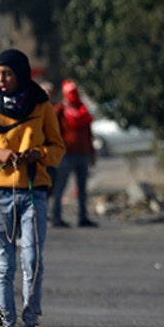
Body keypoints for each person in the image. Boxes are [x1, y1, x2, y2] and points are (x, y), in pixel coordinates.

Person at [0, 49, 66, 327]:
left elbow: (58, 149)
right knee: (4, 262)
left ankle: (30, 320)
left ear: (21, 74)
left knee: (33, 258)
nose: (2, 80)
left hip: (33, 193)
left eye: (7, 74)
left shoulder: (41, 105)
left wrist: (39, 153)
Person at [50, 80, 98, 228]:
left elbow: (88, 134)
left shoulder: (83, 111)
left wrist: (91, 153)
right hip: (66, 154)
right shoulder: (60, 110)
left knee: (82, 188)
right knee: (60, 187)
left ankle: (83, 217)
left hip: (82, 153)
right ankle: (56, 217)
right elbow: (53, 131)